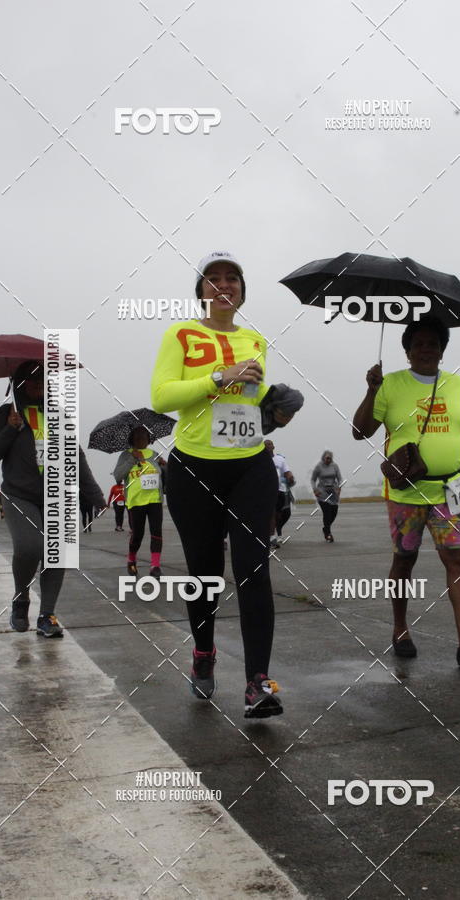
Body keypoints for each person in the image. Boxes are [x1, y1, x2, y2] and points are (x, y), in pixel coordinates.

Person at [151, 251, 297, 718]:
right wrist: (219, 375)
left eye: (232, 278)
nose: (223, 285)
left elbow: (247, 411)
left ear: (241, 291)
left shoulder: (255, 339)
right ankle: (204, 651)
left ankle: (258, 682)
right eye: (212, 279)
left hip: (250, 465)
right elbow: (163, 395)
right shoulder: (182, 333)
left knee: (255, 569)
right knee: (206, 572)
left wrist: (276, 412)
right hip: (194, 468)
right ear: (201, 292)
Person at [352, 315, 460, 666]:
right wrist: (372, 389)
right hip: (406, 493)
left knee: (457, 559)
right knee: (405, 560)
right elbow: (361, 431)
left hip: (450, 490)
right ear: (407, 351)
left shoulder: (457, 385)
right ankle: (400, 629)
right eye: (418, 343)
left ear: (442, 350)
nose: (426, 349)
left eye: (433, 343)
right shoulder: (389, 384)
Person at [0, 360, 105, 637]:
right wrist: (10, 428)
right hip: (19, 495)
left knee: (56, 553)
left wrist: (95, 495)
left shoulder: (59, 414)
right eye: (30, 380)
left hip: (55, 496)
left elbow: (77, 456)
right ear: (18, 384)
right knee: (29, 548)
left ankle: (47, 615)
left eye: (42, 379)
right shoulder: (7, 413)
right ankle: (21, 598)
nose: (37, 384)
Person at [113, 426, 165, 577]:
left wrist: (165, 465)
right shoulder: (125, 455)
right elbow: (118, 476)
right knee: (138, 534)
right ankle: (131, 560)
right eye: (137, 435)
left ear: (149, 439)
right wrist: (132, 459)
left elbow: (163, 473)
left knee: (156, 532)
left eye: (144, 434)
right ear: (132, 438)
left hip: (155, 499)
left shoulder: (155, 454)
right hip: (135, 501)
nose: (141, 437)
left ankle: (155, 566)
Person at [264, 440, 295, 549]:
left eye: (269, 444)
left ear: (273, 446)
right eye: (265, 445)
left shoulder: (280, 459)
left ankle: (272, 534)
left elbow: (287, 471)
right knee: (271, 514)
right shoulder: (260, 460)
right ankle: (272, 538)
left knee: (277, 514)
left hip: (280, 490)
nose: (267, 446)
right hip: (266, 491)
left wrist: (290, 477)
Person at [311, 450, 342, 542]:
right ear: (323, 458)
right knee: (327, 513)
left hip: (333, 492)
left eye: (330, 458)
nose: (328, 460)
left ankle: (325, 528)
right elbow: (313, 480)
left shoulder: (335, 466)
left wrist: (339, 488)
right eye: (327, 458)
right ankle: (328, 534)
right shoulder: (318, 467)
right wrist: (315, 490)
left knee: (334, 512)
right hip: (322, 492)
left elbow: (339, 478)